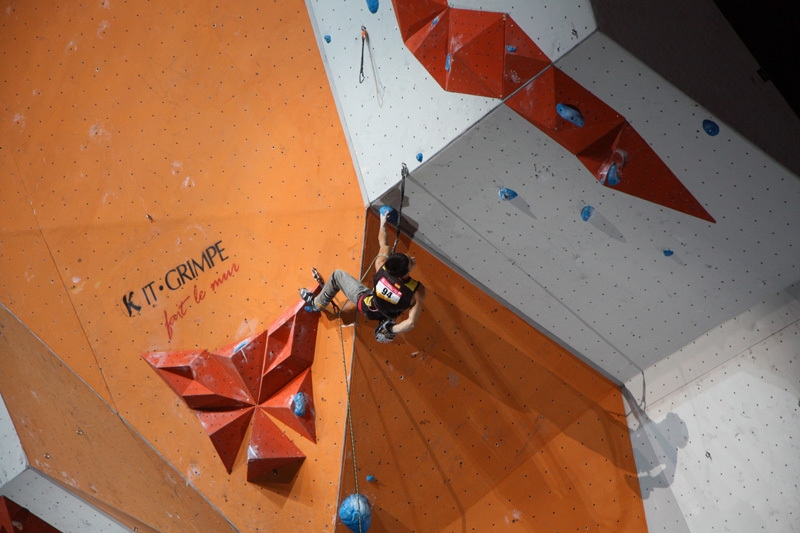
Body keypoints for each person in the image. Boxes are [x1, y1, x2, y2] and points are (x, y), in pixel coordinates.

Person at [300, 212, 425, 342]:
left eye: (410, 259)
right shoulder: (417, 292)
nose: (413, 258)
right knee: (340, 277)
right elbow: (411, 323)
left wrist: (382, 223)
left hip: (367, 305)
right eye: (411, 261)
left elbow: (384, 245)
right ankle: (318, 305)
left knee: (337, 275)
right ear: (405, 273)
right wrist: (390, 329)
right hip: (387, 313)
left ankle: (317, 304)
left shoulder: (381, 266)